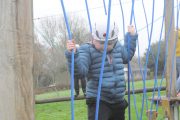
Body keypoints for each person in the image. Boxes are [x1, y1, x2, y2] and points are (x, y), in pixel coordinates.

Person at [65, 19, 138, 120]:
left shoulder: (117, 47)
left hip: (118, 100)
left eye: (109, 43)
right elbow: (80, 73)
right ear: (93, 38)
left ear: (115, 40)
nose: (105, 47)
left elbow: (127, 56)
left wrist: (131, 36)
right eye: (101, 43)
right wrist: (73, 55)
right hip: (99, 100)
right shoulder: (87, 50)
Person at [176, 30, 180, 97]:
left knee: (177, 76)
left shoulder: (173, 32)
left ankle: (177, 91)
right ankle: (176, 91)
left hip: (174, 56)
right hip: (179, 55)